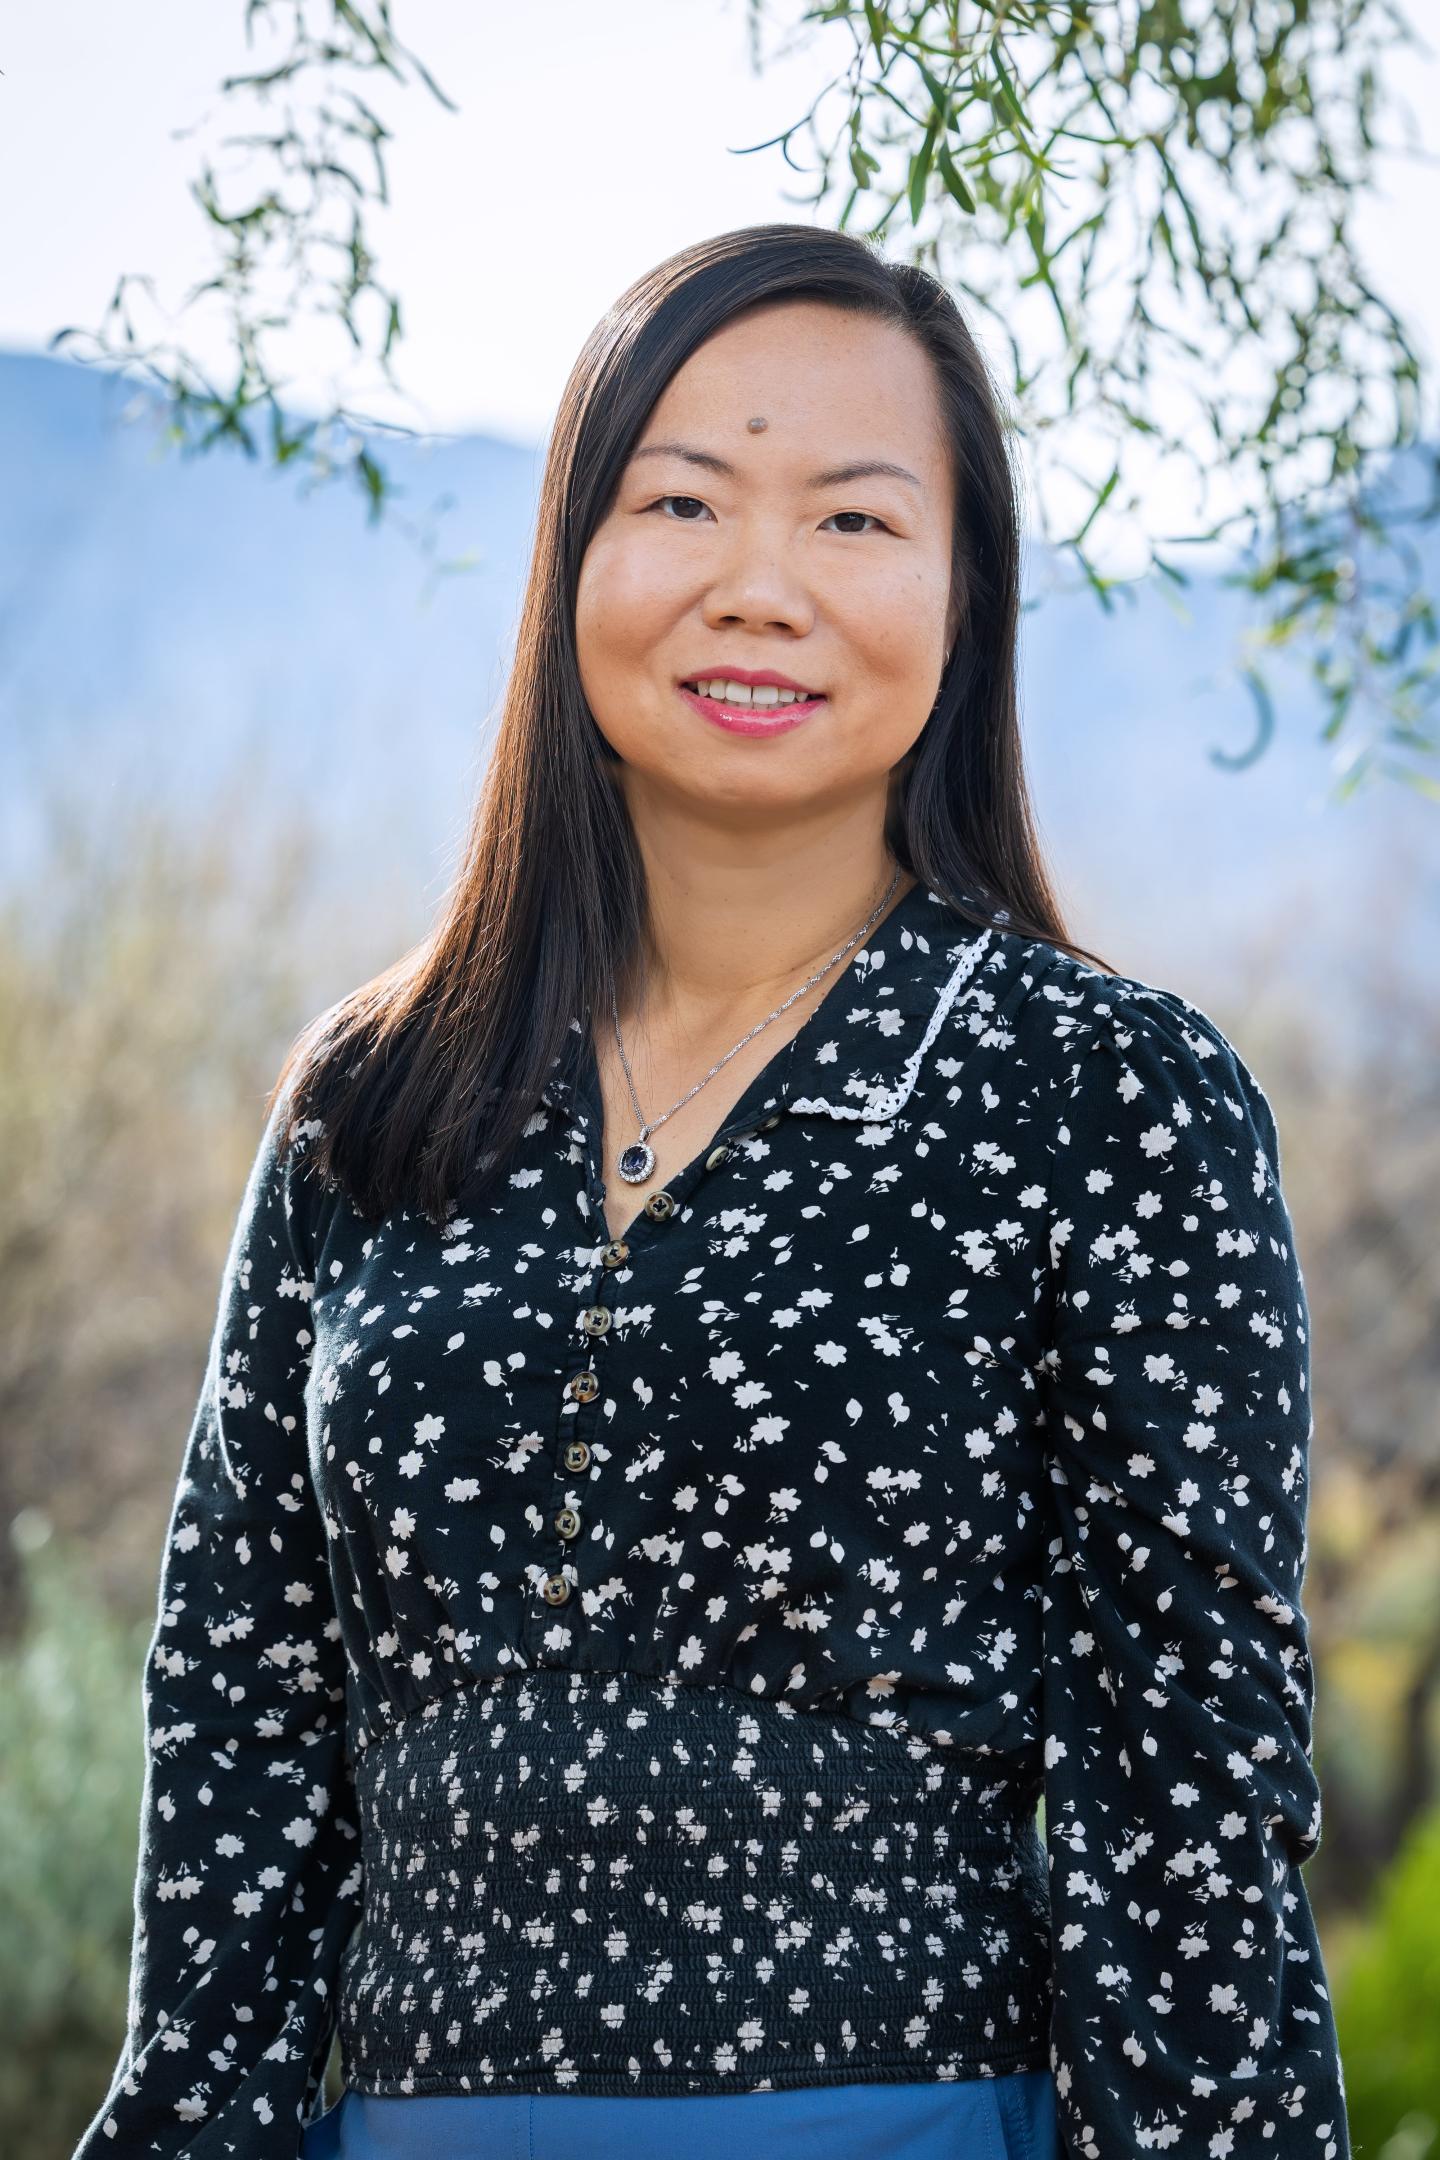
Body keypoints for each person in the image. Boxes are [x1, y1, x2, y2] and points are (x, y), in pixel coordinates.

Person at [71, 223, 1350, 2160]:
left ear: (966, 596)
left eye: (853, 522)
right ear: (575, 556)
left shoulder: (1112, 1096)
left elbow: (1191, 1788)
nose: (763, 590)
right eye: (684, 501)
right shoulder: (374, 1096)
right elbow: (240, 1712)